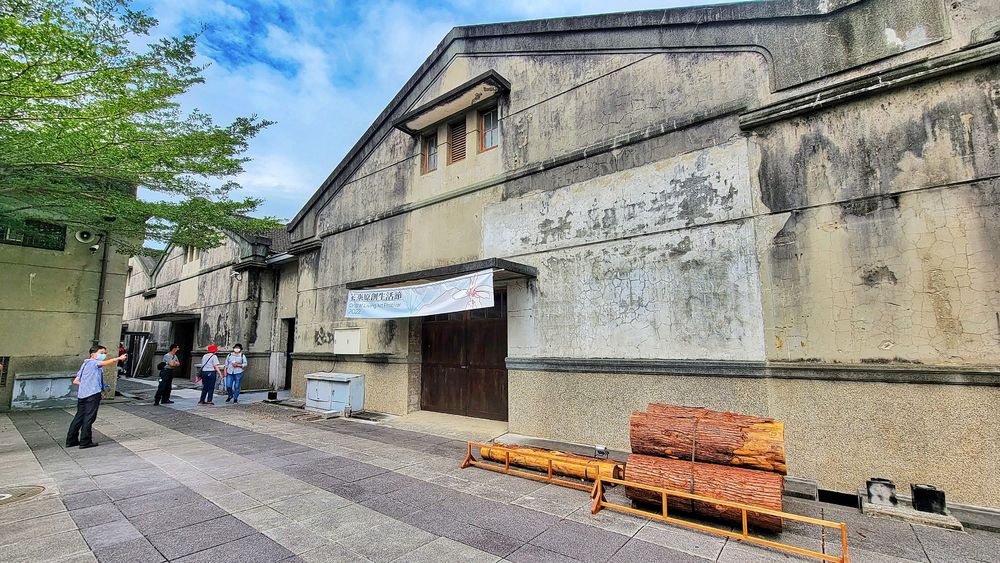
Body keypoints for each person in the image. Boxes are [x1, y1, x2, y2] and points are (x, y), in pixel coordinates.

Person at [66, 345, 126, 449]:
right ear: (93, 355)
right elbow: (105, 363)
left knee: (79, 417)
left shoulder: (84, 364)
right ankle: (85, 441)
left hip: (82, 395)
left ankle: (71, 441)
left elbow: (76, 381)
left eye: (104, 353)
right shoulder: (93, 363)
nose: (104, 355)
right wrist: (119, 358)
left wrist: (90, 384)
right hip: (92, 395)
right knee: (89, 418)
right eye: (101, 353)